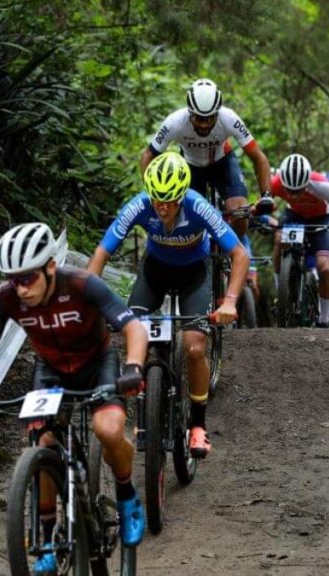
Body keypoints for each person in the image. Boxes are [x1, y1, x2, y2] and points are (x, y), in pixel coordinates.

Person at [0, 222, 148, 573]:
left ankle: (126, 494)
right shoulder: (5, 297)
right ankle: (47, 540)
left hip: (97, 364)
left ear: (49, 267)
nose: (22, 288)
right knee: (41, 440)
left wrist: (134, 367)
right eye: (15, 279)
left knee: (107, 429)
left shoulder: (82, 284)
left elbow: (132, 327)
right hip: (51, 370)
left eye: (28, 278)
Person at [89, 152, 247, 458]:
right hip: (155, 271)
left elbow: (239, 254)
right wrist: (89, 299)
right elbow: (101, 253)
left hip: (194, 273)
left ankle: (198, 426)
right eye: (157, 199)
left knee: (194, 347)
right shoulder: (139, 205)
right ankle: (145, 408)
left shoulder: (198, 205)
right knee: (133, 335)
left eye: (170, 200)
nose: (162, 207)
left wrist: (229, 301)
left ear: (182, 195)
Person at [140, 79, 273, 243]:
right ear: (189, 112)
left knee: (239, 213)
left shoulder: (229, 118)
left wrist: (266, 195)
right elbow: (148, 156)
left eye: (210, 118)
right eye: (198, 118)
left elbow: (258, 157)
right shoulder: (175, 122)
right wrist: (153, 195)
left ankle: (233, 251)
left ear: (218, 112)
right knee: (189, 221)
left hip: (222, 163)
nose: (204, 124)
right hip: (190, 168)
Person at [267, 154, 329, 328]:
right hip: (295, 216)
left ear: (307, 182)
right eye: (290, 190)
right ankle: (282, 291)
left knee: (324, 267)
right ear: (282, 182)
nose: (294, 194)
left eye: (299, 190)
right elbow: (265, 205)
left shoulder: (321, 185)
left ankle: (324, 316)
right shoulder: (275, 183)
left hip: (321, 219)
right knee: (279, 240)